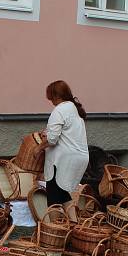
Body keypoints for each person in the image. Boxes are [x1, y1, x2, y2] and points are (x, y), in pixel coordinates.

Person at [42, 80, 89, 223]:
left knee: (53, 197)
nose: (50, 101)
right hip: (78, 157)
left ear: (55, 96)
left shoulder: (60, 110)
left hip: (62, 160)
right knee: (62, 193)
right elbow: (64, 133)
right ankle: (74, 224)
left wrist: (37, 149)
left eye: (50, 97)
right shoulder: (73, 109)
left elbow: (52, 139)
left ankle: (55, 231)